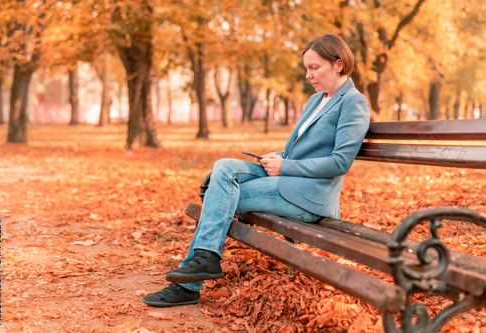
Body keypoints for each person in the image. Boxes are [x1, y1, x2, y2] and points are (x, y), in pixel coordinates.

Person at [142, 33, 371, 307]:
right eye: (306, 68)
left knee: (219, 194)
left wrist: (285, 165)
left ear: (339, 64)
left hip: (309, 195)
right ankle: (205, 259)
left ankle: (189, 284)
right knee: (223, 167)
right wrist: (281, 156)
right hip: (289, 178)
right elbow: (306, 150)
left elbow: (339, 163)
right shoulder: (317, 100)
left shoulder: (353, 102)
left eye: (315, 67)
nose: (308, 75)